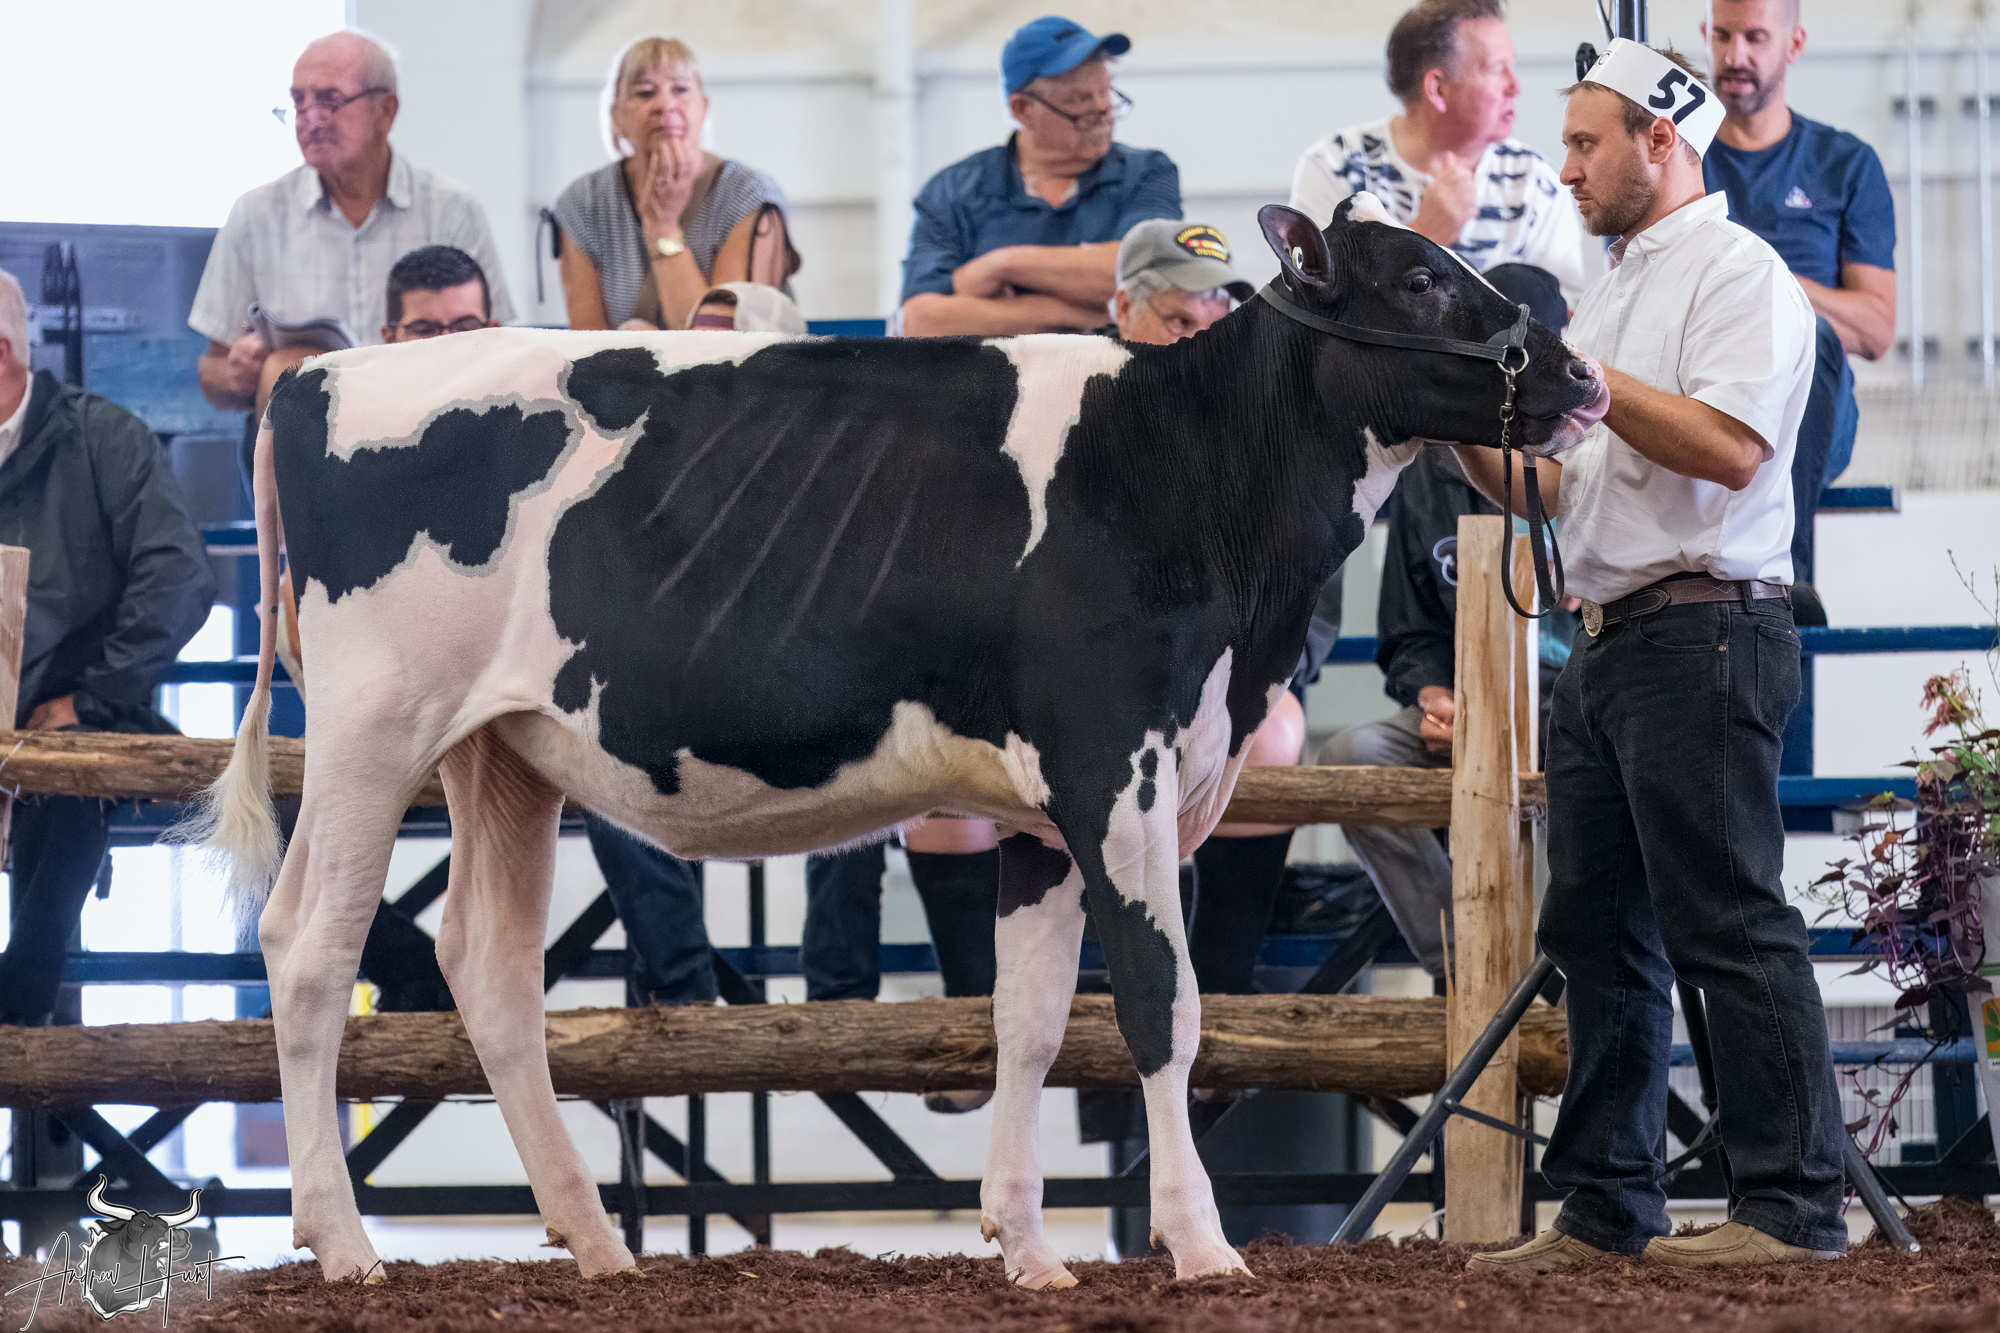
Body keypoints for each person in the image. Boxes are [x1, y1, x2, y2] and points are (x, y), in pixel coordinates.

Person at [1458, 43, 1846, 1272]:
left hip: (1705, 628)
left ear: (1658, 139)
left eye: (1584, 143)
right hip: (1611, 636)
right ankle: (1603, 1208)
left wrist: (1583, 376)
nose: (1565, 168)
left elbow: (1728, 450)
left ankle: (1790, 1208)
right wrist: (1453, 425)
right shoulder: (1612, 290)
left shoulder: (1741, 275)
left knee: (1724, 920)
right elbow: (1558, 486)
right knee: (1595, 932)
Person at [1317, 265, 1573, 984]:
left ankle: (1568, 973)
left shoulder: (1595, 457)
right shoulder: (1432, 466)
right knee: (1349, 757)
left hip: (1578, 708)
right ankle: (1475, 969)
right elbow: (1408, 631)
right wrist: (1433, 695)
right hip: (1469, 705)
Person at [0, 270, 217, 1026]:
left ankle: (19, 1016)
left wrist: (92, 696)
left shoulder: (102, 438)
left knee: (264, 813)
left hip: (83, 721)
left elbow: (179, 574)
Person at [191, 30, 514, 441]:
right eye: (299, 102)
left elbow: (496, 352)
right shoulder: (255, 215)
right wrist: (238, 371)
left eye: (330, 100)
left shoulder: (453, 213)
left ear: (386, 111)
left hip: (427, 438)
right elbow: (211, 371)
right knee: (284, 368)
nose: (311, 119)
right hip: (308, 452)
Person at [1701, 0, 1895, 618]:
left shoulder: (1846, 164)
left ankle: (1785, 586)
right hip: (1707, 401)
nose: (1735, 56)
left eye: (1756, 38)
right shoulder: (1678, 158)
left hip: (1812, 413)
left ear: (1795, 43)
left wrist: (1770, 281)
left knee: (1814, 334)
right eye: (1723, 36)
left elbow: (1875, 328)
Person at [1289, 0, 1600, 307]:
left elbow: (1566, 319)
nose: (1515, 86)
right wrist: (1424, 234)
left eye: (1512, 67)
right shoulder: (1334, 167)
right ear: (1437, 89)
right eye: (1497, 69)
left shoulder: (1536, 181)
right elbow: (1313, 306)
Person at [899, 16, 1181, 336]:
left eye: (1105, 91)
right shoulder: (952, 191)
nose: (1103, 110)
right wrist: (1086, 313)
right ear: (1022, 109)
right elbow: (921, 321)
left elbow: (1148, 281)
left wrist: (1003, 265)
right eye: (1080, 100)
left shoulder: (1147, 172)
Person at [553, 37, 799, 332]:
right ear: (617, 116)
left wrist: (662, 227)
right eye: (645, 93)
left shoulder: (749, 195)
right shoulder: (582, 203)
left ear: (703, 108)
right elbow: (588, 341)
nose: (665, 105)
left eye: (680, 90)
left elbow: (725, 343)